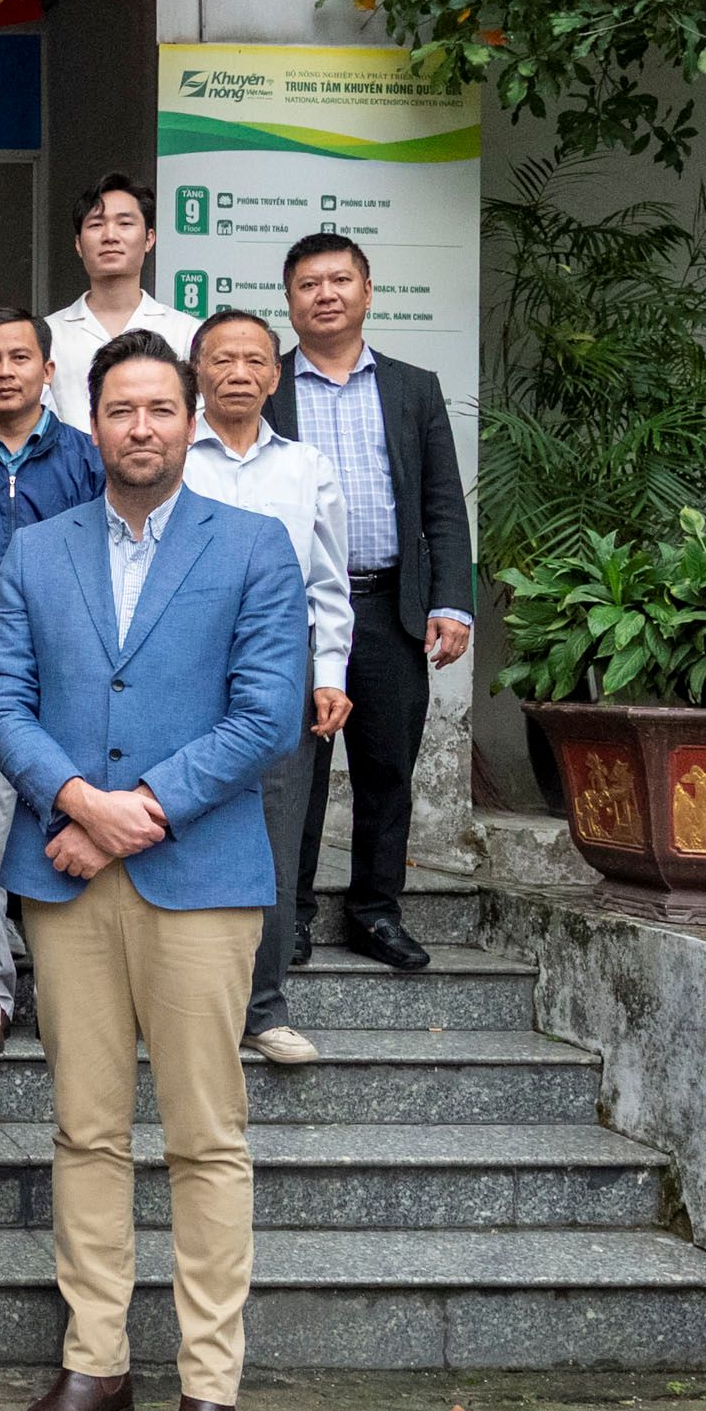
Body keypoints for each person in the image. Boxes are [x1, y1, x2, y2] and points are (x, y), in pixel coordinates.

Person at [0, 329, 306, 1411]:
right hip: (67, 880)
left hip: (202, 880)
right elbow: (1, 698)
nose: (142, 428)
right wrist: (73, 799)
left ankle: (210, 1389)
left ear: (190, 416)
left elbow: (268, 716)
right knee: (87, 1132)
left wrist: (135, 810)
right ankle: (96, 1367)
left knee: (208, 1139)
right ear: (93, 416)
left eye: (161, 408)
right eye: (121, 410)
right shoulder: (35, 549)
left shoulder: (255, 547)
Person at [267, 232, 474, 976]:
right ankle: (286, 918)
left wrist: (451, 600)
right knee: (294, 772)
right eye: (308, 284)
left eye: (339, 280)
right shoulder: (267, 385)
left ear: (367, 290)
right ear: (288, 300)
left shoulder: (413, 387)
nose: (325, 294)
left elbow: (443, 505)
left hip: (388, 607)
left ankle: (375, 913)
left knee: (388, 770)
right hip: (289, 615)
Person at [186, 309, 354, 1065]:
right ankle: (175, 1006)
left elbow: (329, 584)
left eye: (255, 360)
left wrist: (329, 676)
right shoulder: (172, 456)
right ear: (198, 370)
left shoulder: (307, 466)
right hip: (181, 671)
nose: (240, 373)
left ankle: (263, 1007)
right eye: (223, 360)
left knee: (274, 842)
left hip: (278, 675)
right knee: (173, 829)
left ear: (276, 375)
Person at [0, 307, 105, 1058]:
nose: (4, 371)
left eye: (18, 358)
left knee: (81, 822)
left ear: (48, 368)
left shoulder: (87, 460)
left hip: (79, 675)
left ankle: (82, 989)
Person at [43, 175, 203, 432]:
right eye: (96, 225)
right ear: (78, 244)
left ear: (149, 239)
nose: (110, 236)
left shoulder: (187, 333)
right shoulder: (47, 334)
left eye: (125, 223)